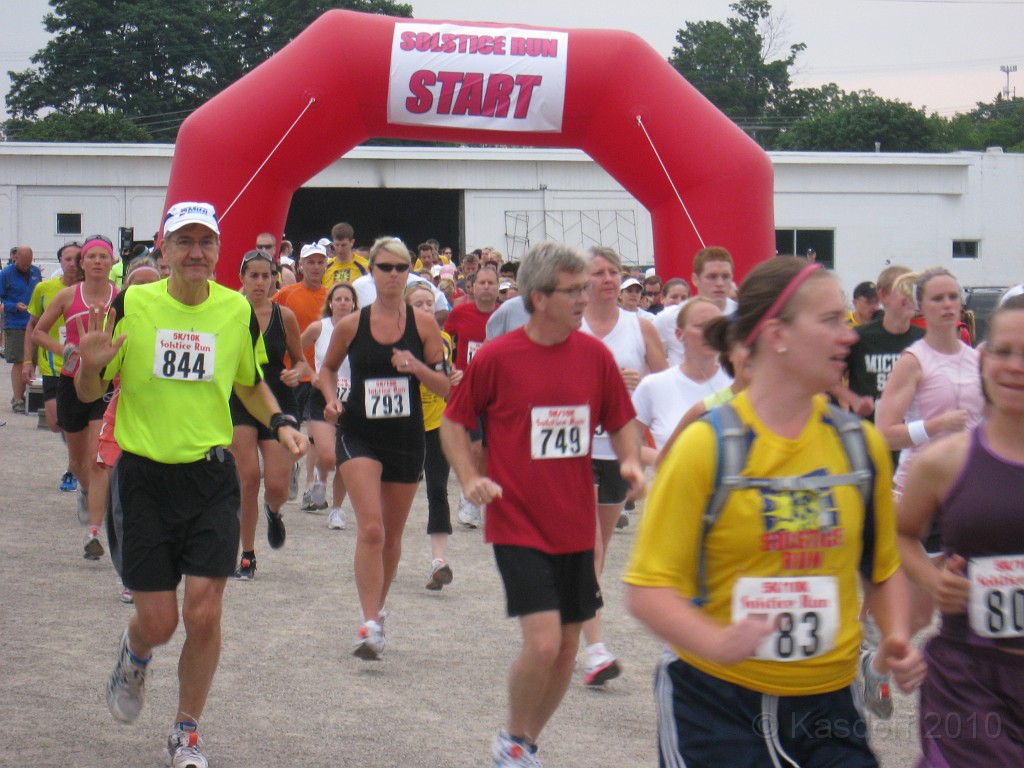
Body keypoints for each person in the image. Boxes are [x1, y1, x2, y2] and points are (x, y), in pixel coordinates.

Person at [624, 257, 925, 767]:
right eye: (830, 321)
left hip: (829, 706)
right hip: (715, 703)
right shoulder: (707, 446)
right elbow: (647, 589)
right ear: (777, 335)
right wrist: (717, 643)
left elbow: (881, 566)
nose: (848, 336)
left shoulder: (859, 447)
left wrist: (895, 635)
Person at [74, 201, 306, 768]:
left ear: (219, 251)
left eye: (206, 242)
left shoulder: (235, 311)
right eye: (184, 241)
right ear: (166, 247)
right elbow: (87, 394)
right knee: (160, 619)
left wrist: (280, 420)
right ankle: (135, 653)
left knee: (204, 613)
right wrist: (88, 367)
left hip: (209, 475)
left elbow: (250, 383)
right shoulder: (133, 303)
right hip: (145, 478)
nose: (195, 252)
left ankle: (186, 730)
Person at [441, 242, 643, 767]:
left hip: (576, 522)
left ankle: (525, 743)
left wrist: (630, 462)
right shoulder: (498, 358)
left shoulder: (594, 356)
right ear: (538, 298)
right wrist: (468, 476)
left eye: (587, 287)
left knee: (570, 648)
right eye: (573, 290)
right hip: (517, 520)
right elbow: (454, 422)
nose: (587, 297)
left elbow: (620, 420)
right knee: (545, 643)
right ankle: (510, 739)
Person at [896, 294, 1024, 768]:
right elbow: (900, 534)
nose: (1015, 367)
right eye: (1005, 352)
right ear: (983, 360)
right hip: (969, 680)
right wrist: (931, 581)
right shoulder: (944, 462)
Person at [320, 236, 449, 660]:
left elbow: (445, 385)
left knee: (391, 537)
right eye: (385, 267)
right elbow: (327, 369)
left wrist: (414, 366)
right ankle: (368, 620)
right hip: (359, 432)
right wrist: (331, 398)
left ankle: (377, 612)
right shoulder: (352, 324)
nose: (393, 274)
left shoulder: (425, 326)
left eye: (400, 267)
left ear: (408, 272)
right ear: (371, 273)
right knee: (371, 529)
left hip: (406, 438)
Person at [578, 246, 666, 685]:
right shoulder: (570, 325)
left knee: (598, 553)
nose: (609, 279)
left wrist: (642, 381)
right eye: (599, 273)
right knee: (589, 548)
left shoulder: (640, 327)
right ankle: (595, 650)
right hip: (574, 450)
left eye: (614, 272)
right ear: (584, 280)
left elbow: (669, 385)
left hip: (620, 450)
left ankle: (571, 619)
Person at [32, 236, 117, 552]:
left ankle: (94, 532)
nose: (97, 262)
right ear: (82, 264)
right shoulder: (68, 296)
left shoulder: (120, 299)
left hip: (104, 384)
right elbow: (39, 331)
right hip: (71, 382)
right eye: (91, 257)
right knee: (79, 462)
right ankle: (87, 491)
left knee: (98, 460)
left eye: (103, 257)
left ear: (111, 263)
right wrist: (63, 349)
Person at [230, 249, 309, 580]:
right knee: (248, 479)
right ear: (242, 278)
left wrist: (297, 372)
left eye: (266, 276)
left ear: (275, 278)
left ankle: (273, 510)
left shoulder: (284, 316)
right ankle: (247, 554)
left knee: (275, 487)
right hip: (238, 399)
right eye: (254, 276)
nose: (260, 283)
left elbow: (301, 360)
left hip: (277, 399)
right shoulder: (228, 312)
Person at [632, 297, 733, 463]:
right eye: (700, 326)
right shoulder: (653, 385)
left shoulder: (737, 383)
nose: (709, 333)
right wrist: (663, 461)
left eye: (716, 326)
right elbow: (628, 443)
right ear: (680, 334)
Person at [405, 282, 460, 589]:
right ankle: (387, 548)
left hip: (437, 423)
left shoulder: (444, 339)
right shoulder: (395, 337)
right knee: (395, 493)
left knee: (437, 489)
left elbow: (446, 375)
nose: (426, 309)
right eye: (419, 304)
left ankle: (439, 561)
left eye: (430, 303)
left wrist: (454, 376)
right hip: (403, 424)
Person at [23, 242, 82, 490]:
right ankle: (77, 458)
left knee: (74, 421)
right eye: (66, 259)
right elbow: (32, 326)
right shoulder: (45, 289)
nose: (71, 264)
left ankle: (73, 468)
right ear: (60, 262)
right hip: (53, 365)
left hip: (81, 368)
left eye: (75, 259)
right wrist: (28, 361)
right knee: (57, 422)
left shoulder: (90, 289)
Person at [300, 282, 359, 530]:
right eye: (339, 299)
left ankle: (336, 510)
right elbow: (295, 349)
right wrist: (308, 371)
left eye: (348, 299)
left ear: (354, 304)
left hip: (352, 399)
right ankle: (320, 478)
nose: (343, 303)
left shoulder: (362, 329)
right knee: (328, 455)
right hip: (321, 396)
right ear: (331, 302)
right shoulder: (319, 327)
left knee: (344, 461)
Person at [445, 265, 500, 528]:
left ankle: (475, 496)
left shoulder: (504, 315)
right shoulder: (460, 313)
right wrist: (449, 369)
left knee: (488, 452)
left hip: (497, 392)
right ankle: (470, 495)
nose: (486, 287)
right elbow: (442, 341)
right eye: (482, 283)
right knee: (474, 446)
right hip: (466, 389)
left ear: (498, 287)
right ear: (473, 287)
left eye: (491, 283)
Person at [274, 242, 328, 509]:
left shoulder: (331, 297)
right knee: (292, 432)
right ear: (300, 266)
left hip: (320, 376)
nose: (316, 267)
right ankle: (292, 467)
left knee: (317, 435)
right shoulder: (286, 294)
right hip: (292, 374)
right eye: (311, 262)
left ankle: (311, 488)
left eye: (320, 262)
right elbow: (264, 315)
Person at [653, 246, 737, 366]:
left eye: (725, 276)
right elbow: (649, 360)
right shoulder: (669, 317)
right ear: (695, 279)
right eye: (712, 277)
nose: (720, 283)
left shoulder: (743, 315)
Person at [0, 245, 43, 413]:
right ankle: (18, 399)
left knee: (33, 361)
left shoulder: (35, 272)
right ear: (15, 258)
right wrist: (13, 306)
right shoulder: (5, 275)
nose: (26, 266)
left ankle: (25, 395)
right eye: (23, 263)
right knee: (19, 361)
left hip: (33, 322)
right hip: (16, 323)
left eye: (29, 263)